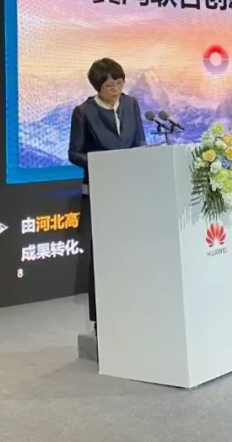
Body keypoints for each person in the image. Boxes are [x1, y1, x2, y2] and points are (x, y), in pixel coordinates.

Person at [68, 58, 146, 338]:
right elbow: (74, 153)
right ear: (97, 87)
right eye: (108, 85)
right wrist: (102, 162)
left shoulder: (131, 104)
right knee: (103, 255)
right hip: (101, 192)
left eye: (119, 83)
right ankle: (101, 317)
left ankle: (135, 308)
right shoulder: (83, 112)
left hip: (131, 189)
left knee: (133, 250)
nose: (115, 89)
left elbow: (139, 140)